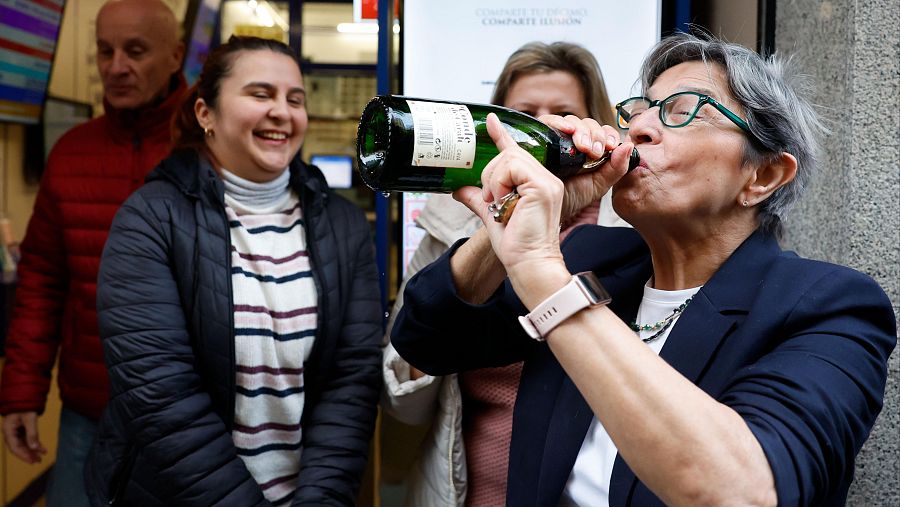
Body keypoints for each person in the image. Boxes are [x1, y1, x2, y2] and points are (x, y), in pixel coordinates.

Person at [390, 32, 896, 506]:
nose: (638, 128)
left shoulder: (830, 307)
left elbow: (740, 489)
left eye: (682, 111)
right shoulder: (598, 257)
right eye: (639, 110)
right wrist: (508, 229)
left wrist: (541, 271)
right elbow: (427, 338)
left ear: (763, 175)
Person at [84, 36, 382, 506]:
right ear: (206, 114)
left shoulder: (342, 225)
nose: (282, 112)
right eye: (260, 94)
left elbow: (352, 380)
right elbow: (161, 395)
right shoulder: (150, 218)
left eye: (295, 99)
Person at [382, 41, 623, 507]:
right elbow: (400, 392)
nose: (545, 127)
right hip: (460, 491)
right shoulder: (451, 219)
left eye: (563, 112)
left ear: (590, 122)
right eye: (526, 114)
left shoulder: (630, 226)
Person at [0, 1, 185, 505]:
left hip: (191, 422)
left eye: (136, 51)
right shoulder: (71, 152)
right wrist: (20, 392)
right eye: (105, 51)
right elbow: (40, 282)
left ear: (176, 56)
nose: (116, 66)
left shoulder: (210, 150)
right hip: (89, 412)